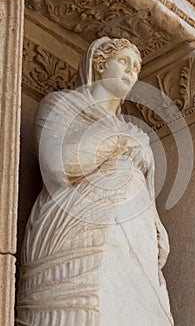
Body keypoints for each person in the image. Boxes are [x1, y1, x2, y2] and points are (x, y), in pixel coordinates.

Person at [17, 37, 174, 325]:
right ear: (100, 65)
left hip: (132, 244)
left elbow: (145, 194)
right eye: (123, 61)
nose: (131, 71)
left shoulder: (134, 132)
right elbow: (57, 166)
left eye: (137, 67)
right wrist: (118, 140)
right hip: (72, 227)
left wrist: (156, 228)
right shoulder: (62, 104)